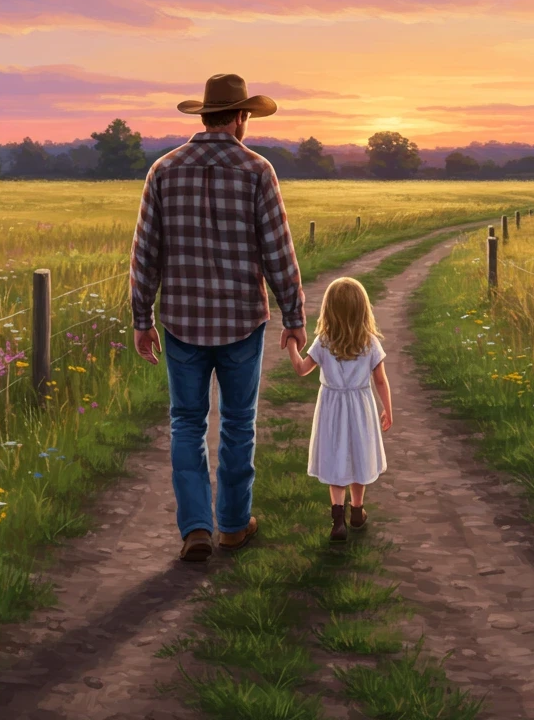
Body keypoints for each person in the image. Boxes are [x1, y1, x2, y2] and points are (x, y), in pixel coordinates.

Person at [129, 73, 306, 562]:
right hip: (242, 321)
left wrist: (141, 319)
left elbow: (145, 253)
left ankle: (196, 529)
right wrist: (293, 313)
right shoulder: (257, 170)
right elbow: (278, 251)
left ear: (205, 115)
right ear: (241, 117)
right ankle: (231, 524)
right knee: (238, 423)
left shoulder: (163, 170)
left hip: (181, 320)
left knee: (185, 422)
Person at [285, 277, 393, 542]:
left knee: (337, 459)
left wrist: (290, 344)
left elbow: (301, 369)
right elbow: (380, 380)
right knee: (359, 456)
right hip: (361, 407)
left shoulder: (324, 342)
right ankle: (357, 509)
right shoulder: (369, 342)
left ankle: (338, 520)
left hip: (332, 408)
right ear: (362, 309)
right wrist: (388, 409)